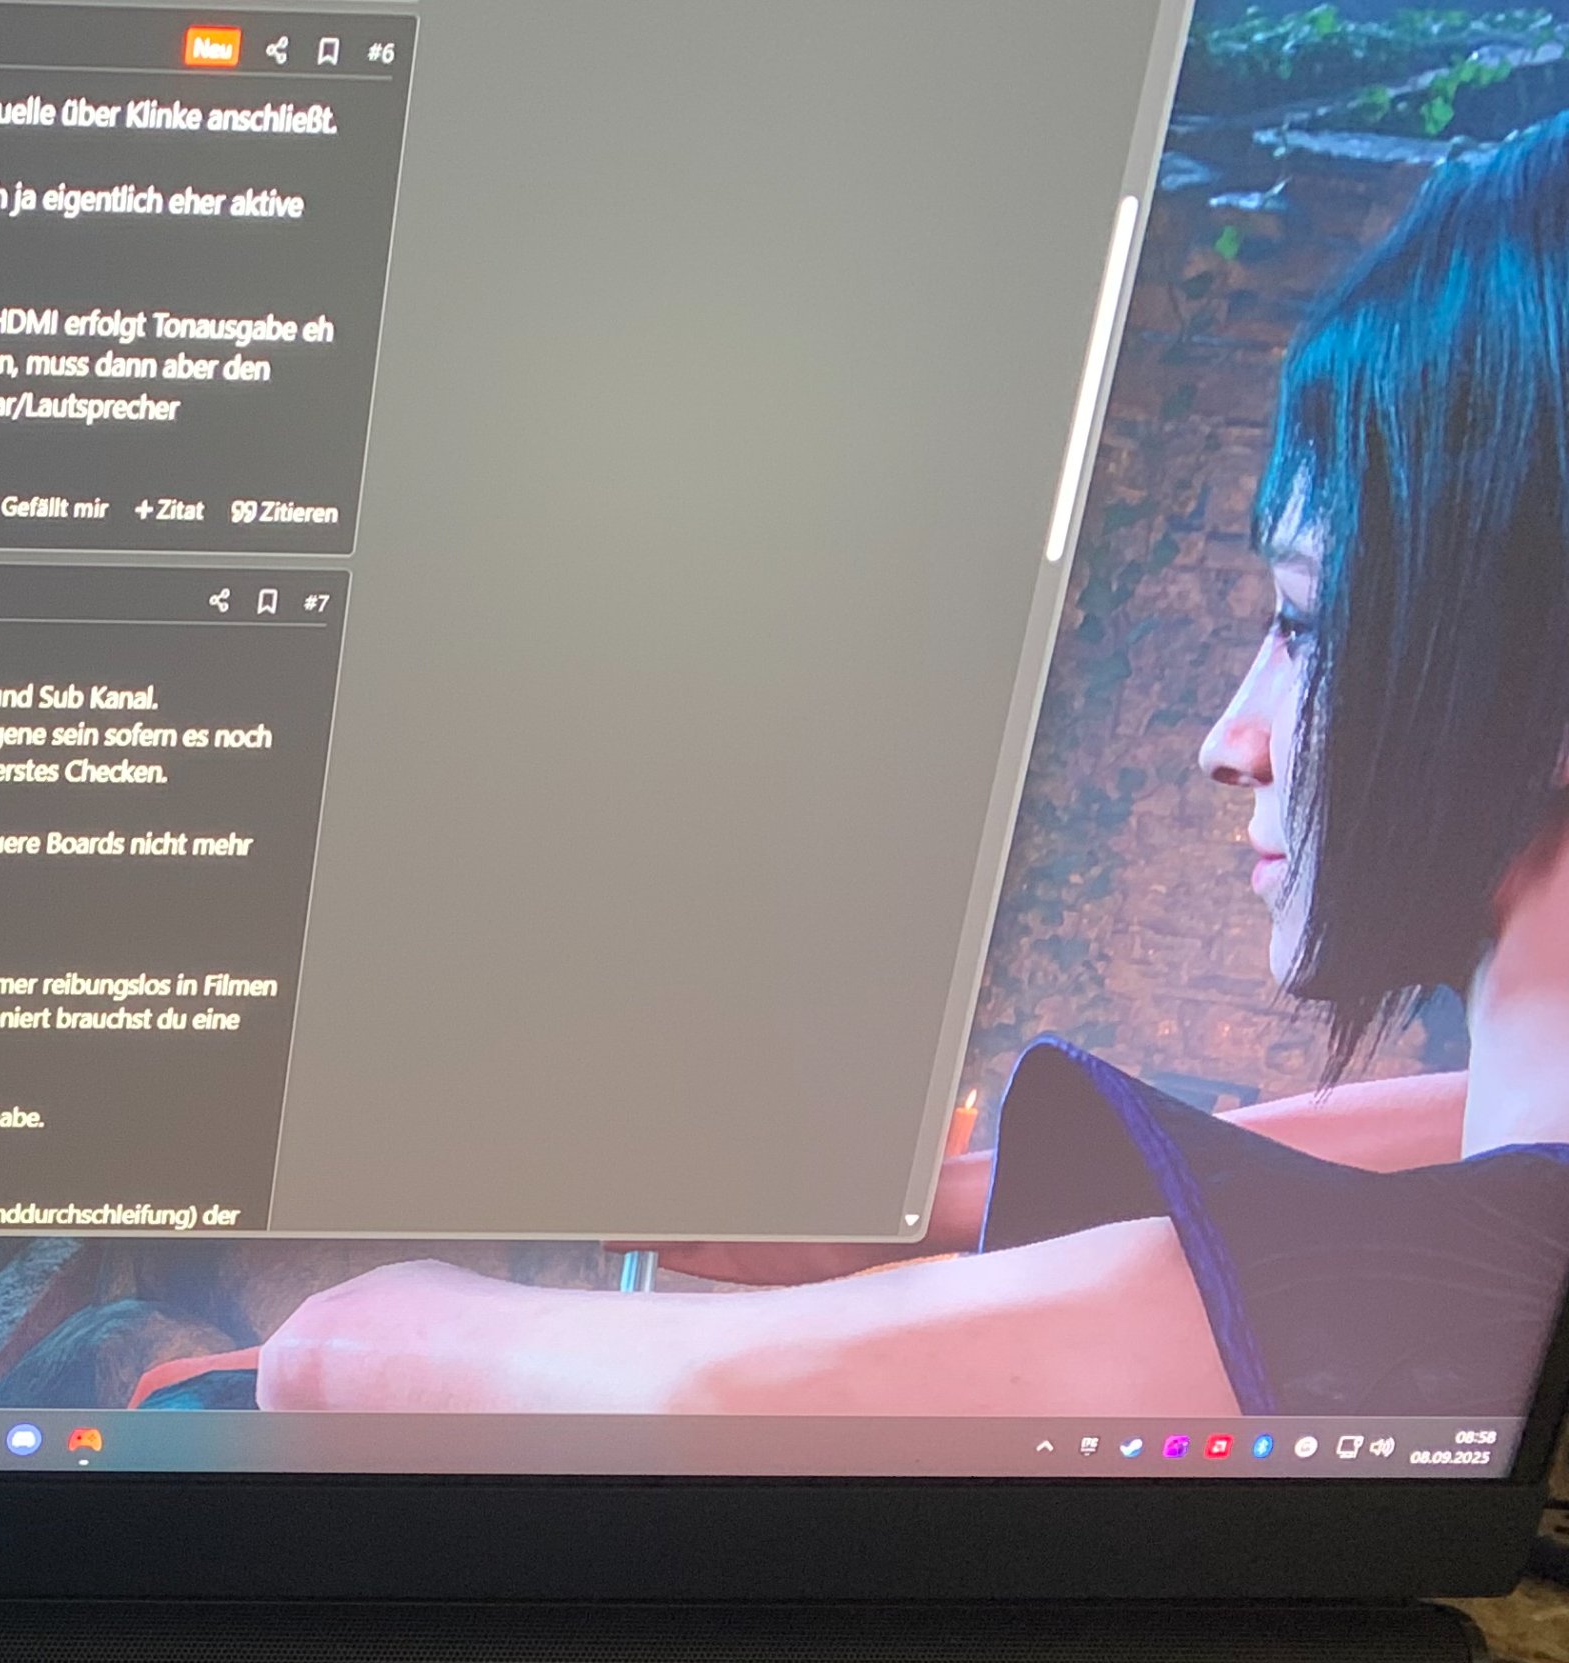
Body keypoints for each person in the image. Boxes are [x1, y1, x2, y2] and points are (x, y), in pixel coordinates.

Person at [256, 114, 1569, 1420]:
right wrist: (912, 1208)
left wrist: (364, 1311)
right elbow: (1476, 1146)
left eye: (1302, 622)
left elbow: (620, 1382)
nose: (1231, 740)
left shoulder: (1438, 1293)